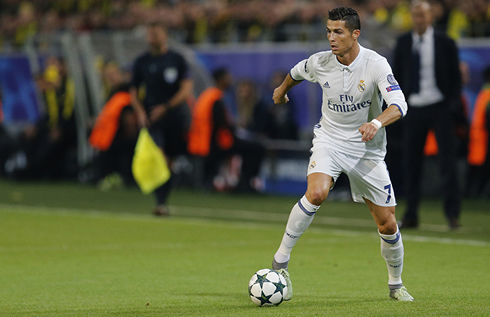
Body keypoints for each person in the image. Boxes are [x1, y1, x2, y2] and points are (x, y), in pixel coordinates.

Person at [270, 7, 413, 302]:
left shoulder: (375, 64)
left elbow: (399, 104)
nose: (331, 38)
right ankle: (280, 261)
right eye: (328, 31)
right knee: (317, 193)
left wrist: (375, 122)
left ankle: (396, 285)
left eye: (338, 32)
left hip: (366, 149)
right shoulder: (320, 62)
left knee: (387, 223)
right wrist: (282, 90)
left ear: (355, 34)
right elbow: (296, 73)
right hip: (330, 141)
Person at [392, 0, 462, 230]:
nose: (419, 19)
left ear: (431, 17)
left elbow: (455, 77)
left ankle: (452, 215)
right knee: (411, 164)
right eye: (415, 15)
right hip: (413, 108)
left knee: (447, 163)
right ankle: (411, 214)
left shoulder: (445, 42)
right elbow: (396, 76)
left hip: (439, 107)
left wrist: (450, 104)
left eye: (422, 15)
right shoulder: (403, 43)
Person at [130, 22, 194, 216]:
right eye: (150, 34)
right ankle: (160, 201)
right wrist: (140, 112)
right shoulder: (142, 61)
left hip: (174, 116)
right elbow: (133, 91)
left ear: (164, 35)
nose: (152, 38)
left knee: (171, 160)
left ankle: (162, 201)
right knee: (158, 155)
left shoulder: (177, 59)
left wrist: (166, 107)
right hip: (152, 119)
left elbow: (186, 89)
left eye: (156, 33)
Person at [187, 68, 265, 192]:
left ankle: (243, 183)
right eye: (228, 77)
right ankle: (245, 183)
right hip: (214, 143)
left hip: (203, 141)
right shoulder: (215, 97)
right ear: (221, 79)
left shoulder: (208, 95)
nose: (231, 80)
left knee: (250, 147)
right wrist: (235, 130)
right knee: (256, 148)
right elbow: (222, 124)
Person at [466, 66, 490, 197]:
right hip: (484, 141)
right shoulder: (488, 95)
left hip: (478, 139)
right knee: (480, 174)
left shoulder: (483, 94)